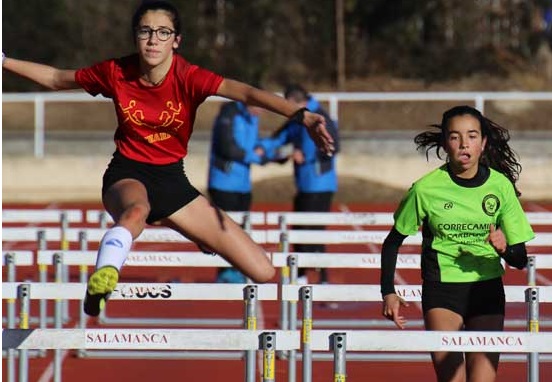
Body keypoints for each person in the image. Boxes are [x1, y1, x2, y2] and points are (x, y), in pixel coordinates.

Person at [1, 0, 333, 316]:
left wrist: (302, 115)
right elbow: (57, 78)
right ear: (136, 36)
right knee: (136, 212)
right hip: (127, 173)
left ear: (176, 40)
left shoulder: (190, 77)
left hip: (172, 182)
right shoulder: (116, 71)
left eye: (163, 32)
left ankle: (185, 226)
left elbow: (246, 93)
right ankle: (102, 281)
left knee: (262, 271)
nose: (153, 39)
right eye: (145, 31)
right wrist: (3, 61)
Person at [379, 105, 535, 382]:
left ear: (484, 143)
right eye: (454, 136)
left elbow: (521, 259)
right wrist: (389, 293)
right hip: (442, 290)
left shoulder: (500, 188)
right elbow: (392, 241)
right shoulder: (426, 189)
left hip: (486, 294)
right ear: (444, 143)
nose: (463, 144)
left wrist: (506, 248)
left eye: (471, 136)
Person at [263, 83, 340, 284]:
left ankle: (321, 278)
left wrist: (307, 155)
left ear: (297, 102)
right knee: (299, 229)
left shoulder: (320, 117)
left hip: (319, 185)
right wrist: (269, 152)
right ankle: (302, 275)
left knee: (314, 232)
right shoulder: (297, 119)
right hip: (304, 184)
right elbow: (279, 139)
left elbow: (334, 146)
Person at [207, 100, 268, 283]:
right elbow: (228, 147)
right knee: (225, 230)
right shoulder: (229, 116)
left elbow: (255, 145)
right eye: (261, 107)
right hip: (223, 183)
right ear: (251, 104)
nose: (262, 113)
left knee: (241, 231)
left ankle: (237, 268)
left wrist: (268, 152)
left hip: (243, 184)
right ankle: (224, 272)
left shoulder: (252, 119)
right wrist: (255, 157)